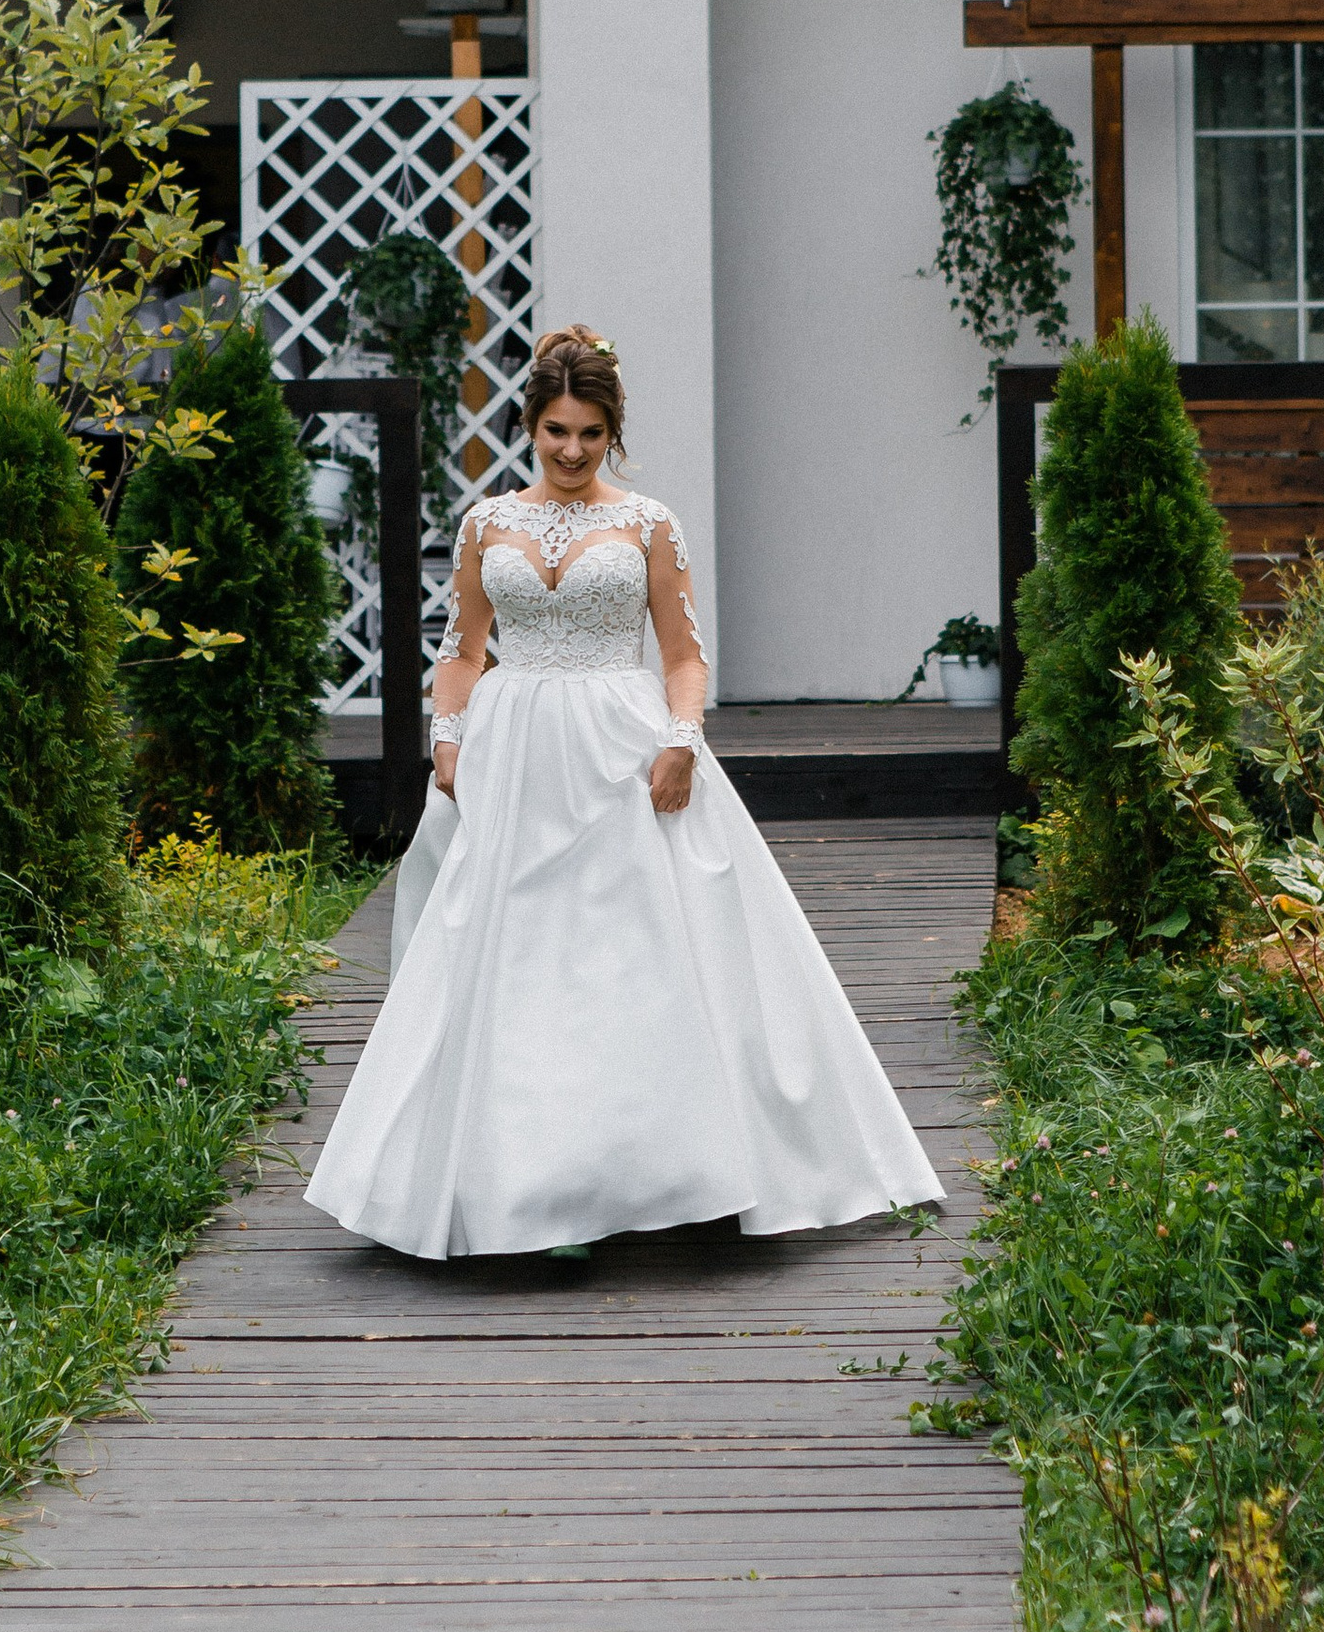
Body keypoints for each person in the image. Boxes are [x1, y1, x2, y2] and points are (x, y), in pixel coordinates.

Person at [303, 325, 945, 1263]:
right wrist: (447, 741)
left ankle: (684, 1177)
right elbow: (462, 654)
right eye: (557, 431)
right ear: (530, 424)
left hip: (623, 750)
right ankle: (531, 1193)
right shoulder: (487, 525)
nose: (571, 452)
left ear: (613, 435)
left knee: (636, 959)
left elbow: (683, 660)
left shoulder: (649, 524)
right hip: (516, 753)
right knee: (519, 961)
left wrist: (682, 741)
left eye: (590, 435)